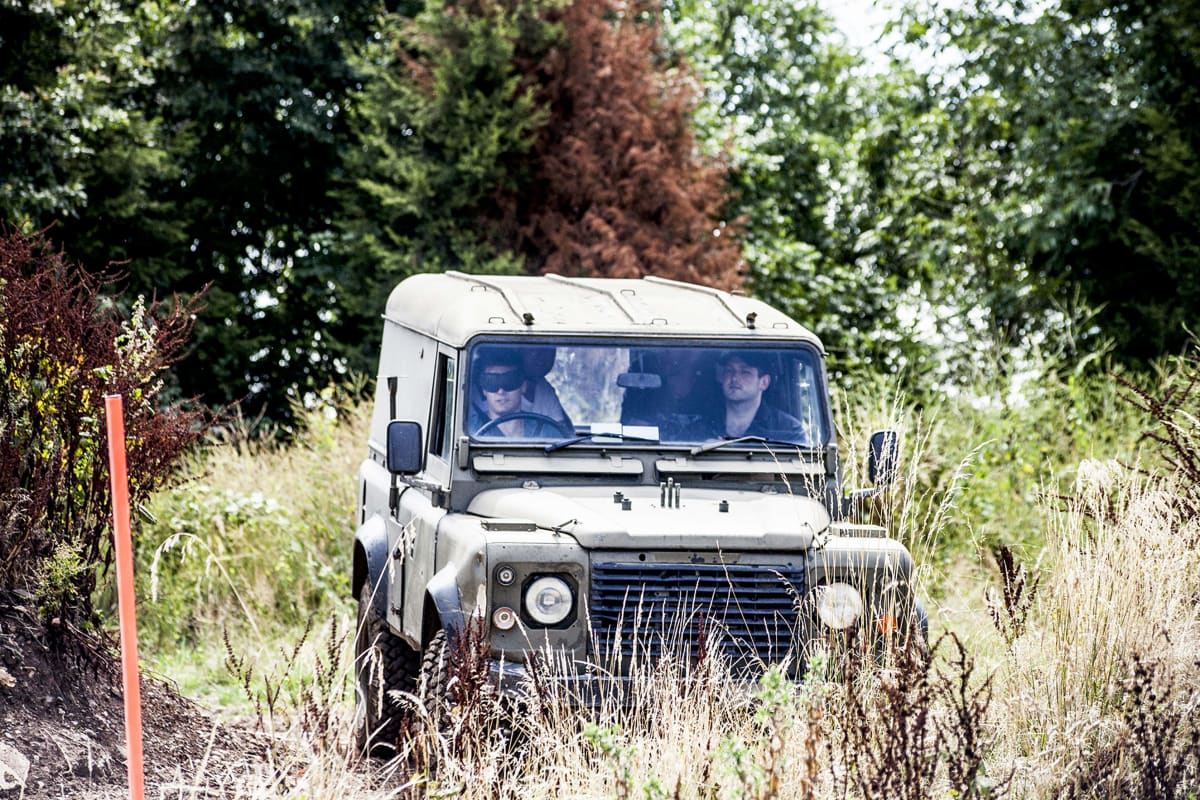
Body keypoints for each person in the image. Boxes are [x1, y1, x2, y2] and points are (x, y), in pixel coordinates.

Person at [704, 351, 804, 441]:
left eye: (745, 372)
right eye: (729, 370)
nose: (734, 378)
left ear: (764, 382)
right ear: (721, 378)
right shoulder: (701, 422)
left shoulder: (788, 429)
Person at [469, 349, 566, 438]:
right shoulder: (469, 431)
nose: (501, 391)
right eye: (491, 382)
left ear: (523, 386)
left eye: (509, 381)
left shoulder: (547, 432)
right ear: (484, 390)